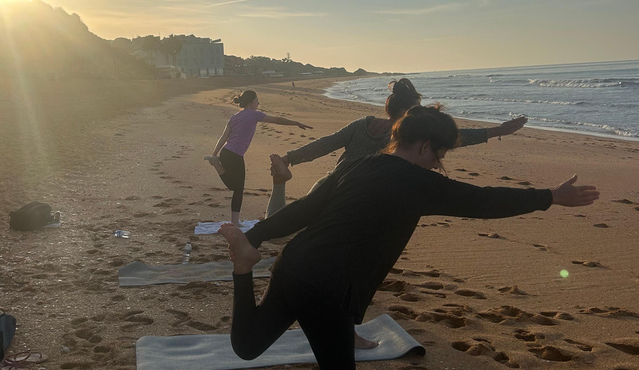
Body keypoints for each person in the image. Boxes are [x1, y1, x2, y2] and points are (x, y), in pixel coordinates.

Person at [219, 105, 599, 370]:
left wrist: (255, 237)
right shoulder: (419, 182)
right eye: (440, 154)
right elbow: (484, 200)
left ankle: (243, 268)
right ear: (424, 147)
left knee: (248, 346)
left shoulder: (358, 166)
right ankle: (244, 265)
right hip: (327, 286)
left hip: (295, 262)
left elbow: (305, 210)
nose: (438, 163)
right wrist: (550, 197)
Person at [265, 78, 527, 217]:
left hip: (329, 183)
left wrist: (290, 158)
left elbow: (326, 144)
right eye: (417, 111)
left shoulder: (361, 124)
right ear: (405, 112)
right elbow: (455, 137)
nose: (421, 116)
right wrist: (497, 131)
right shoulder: (403, 136)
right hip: (355, 200)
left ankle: (280, 182)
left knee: (279, 224)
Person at [205, 90, 313, 225]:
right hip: (235, 155)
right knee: (237, 189)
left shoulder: (234, 117)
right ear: (251, 102)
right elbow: (277, 120)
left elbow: (224, 137)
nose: (258, 103)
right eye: (257, 101)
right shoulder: (254, 115)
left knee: (234, 186)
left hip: (226, 153)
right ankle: (234, 222)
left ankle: (216, 163)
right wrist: (296, 122)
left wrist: (215, 153)